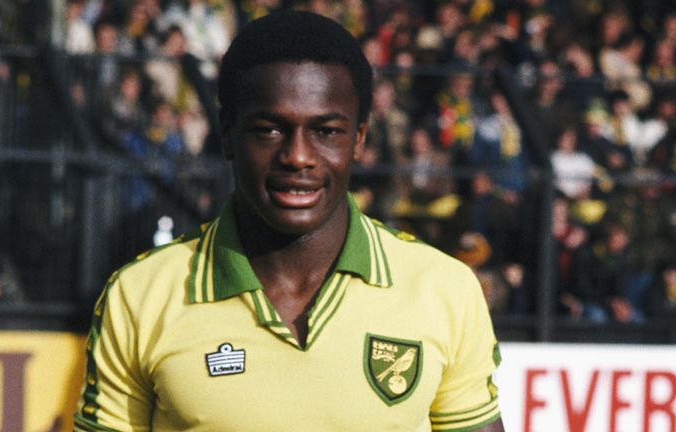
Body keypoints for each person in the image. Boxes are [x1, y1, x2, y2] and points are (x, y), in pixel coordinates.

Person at [75, 11, 503, 432]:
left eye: (327, 131)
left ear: (359, 138)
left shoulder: (443, 288)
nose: (298, 156)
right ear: (226, 134)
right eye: (270, 129)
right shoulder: (141, 296)